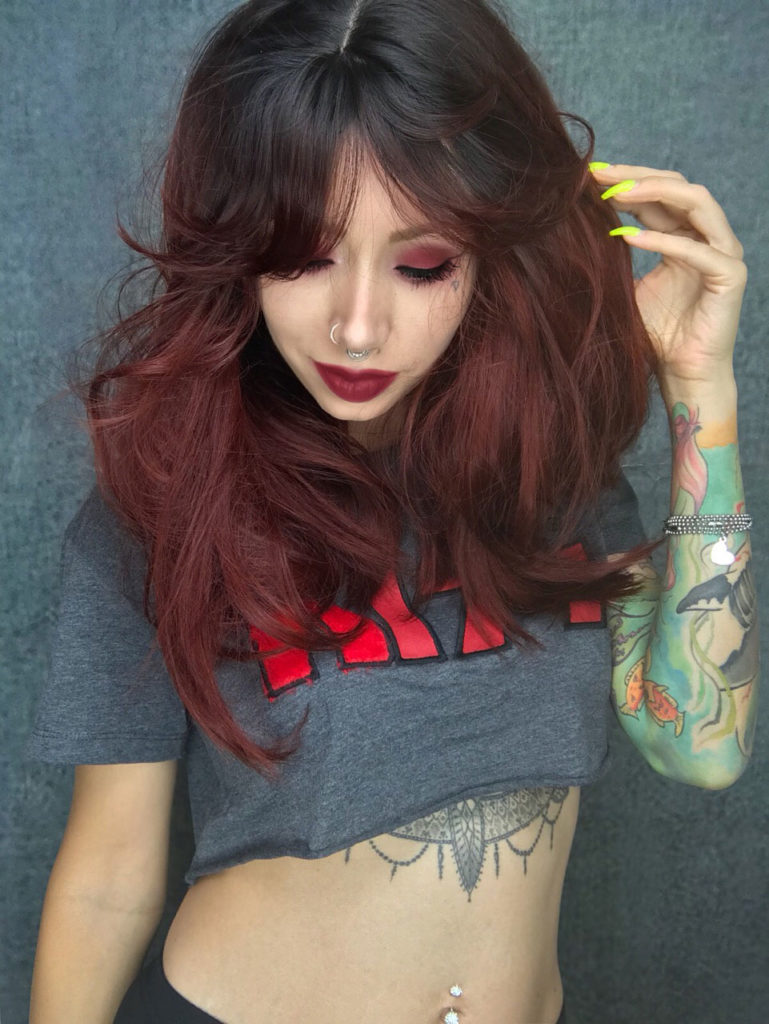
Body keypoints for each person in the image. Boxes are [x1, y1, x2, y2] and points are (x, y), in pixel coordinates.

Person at [25, 1, 758, 1022]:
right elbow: (107, 875)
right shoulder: (162, 509)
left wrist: (698, 389)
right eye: (303, 256)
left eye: (421, 265)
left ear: (488, 255)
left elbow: (701, 746)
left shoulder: (556, 479)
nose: (358, 327)